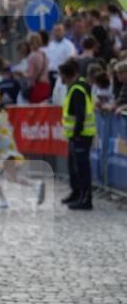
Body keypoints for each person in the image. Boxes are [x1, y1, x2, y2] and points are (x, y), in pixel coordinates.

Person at [57, 59, 96, 211]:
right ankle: (77, 193)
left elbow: (80, 115)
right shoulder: (76, 86)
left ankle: (86, 199)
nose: (60, 79)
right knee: (74, 166)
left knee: (82, 168)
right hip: (77, 135)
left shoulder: (77, 89)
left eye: (61, 75)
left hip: (81, 134)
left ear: (65, 75)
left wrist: (76, 133)